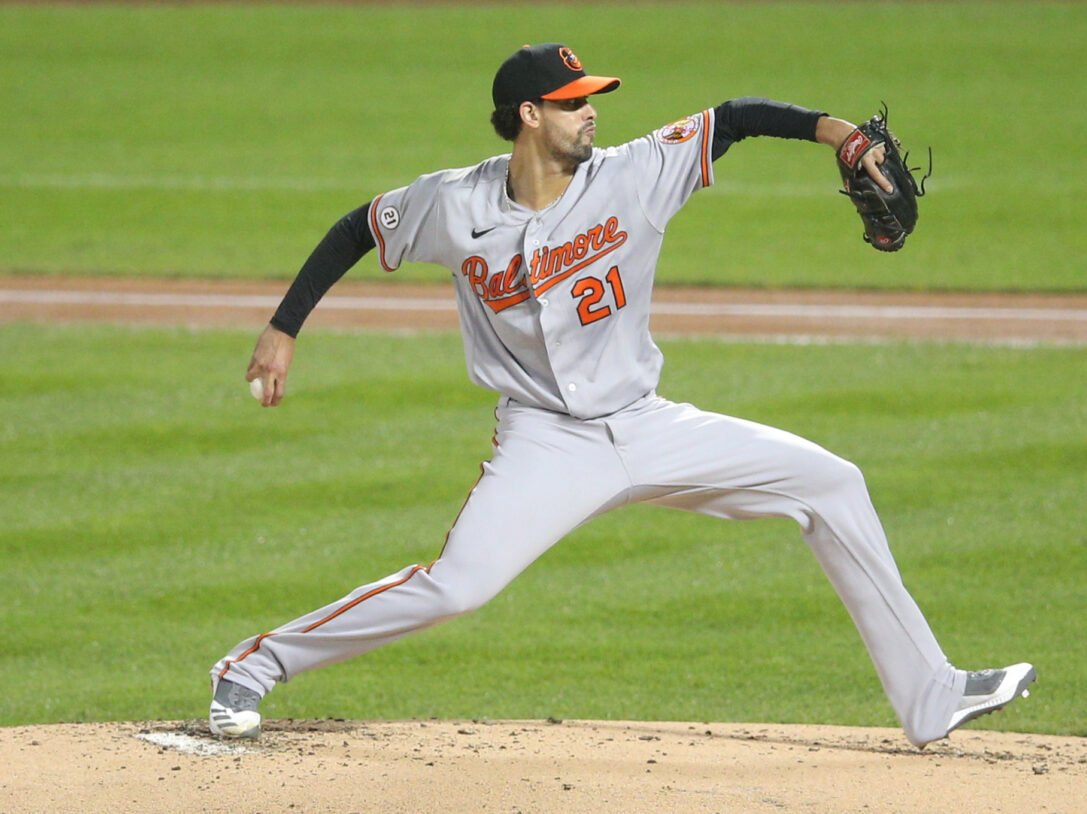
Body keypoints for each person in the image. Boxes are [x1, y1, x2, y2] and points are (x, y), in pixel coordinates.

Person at [208, 43, 1035, 747]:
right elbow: (361, 227)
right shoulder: (453, 202)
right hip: (545, 444)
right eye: (573, 104)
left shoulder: (636, 173)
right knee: (457, 586)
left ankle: (931, 694)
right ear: (529, 115)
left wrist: (837, 131)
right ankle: (253, 665)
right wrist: (284, 328)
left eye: (592, 99)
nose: (591, 114)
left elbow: (734, 116)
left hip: (647, 425)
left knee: (832, 482)